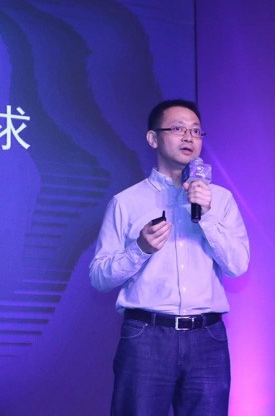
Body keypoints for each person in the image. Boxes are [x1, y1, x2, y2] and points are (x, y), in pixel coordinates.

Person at [90, 99, 250, 415]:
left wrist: (206, 216)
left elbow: (238, 266)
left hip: (207, 339)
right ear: (153, 138)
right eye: (178, 128)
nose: (189, 137)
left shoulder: (220, 200)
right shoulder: (126, 202)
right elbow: (98, 277)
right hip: (146, 337)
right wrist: (140, 249)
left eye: (196, 131)